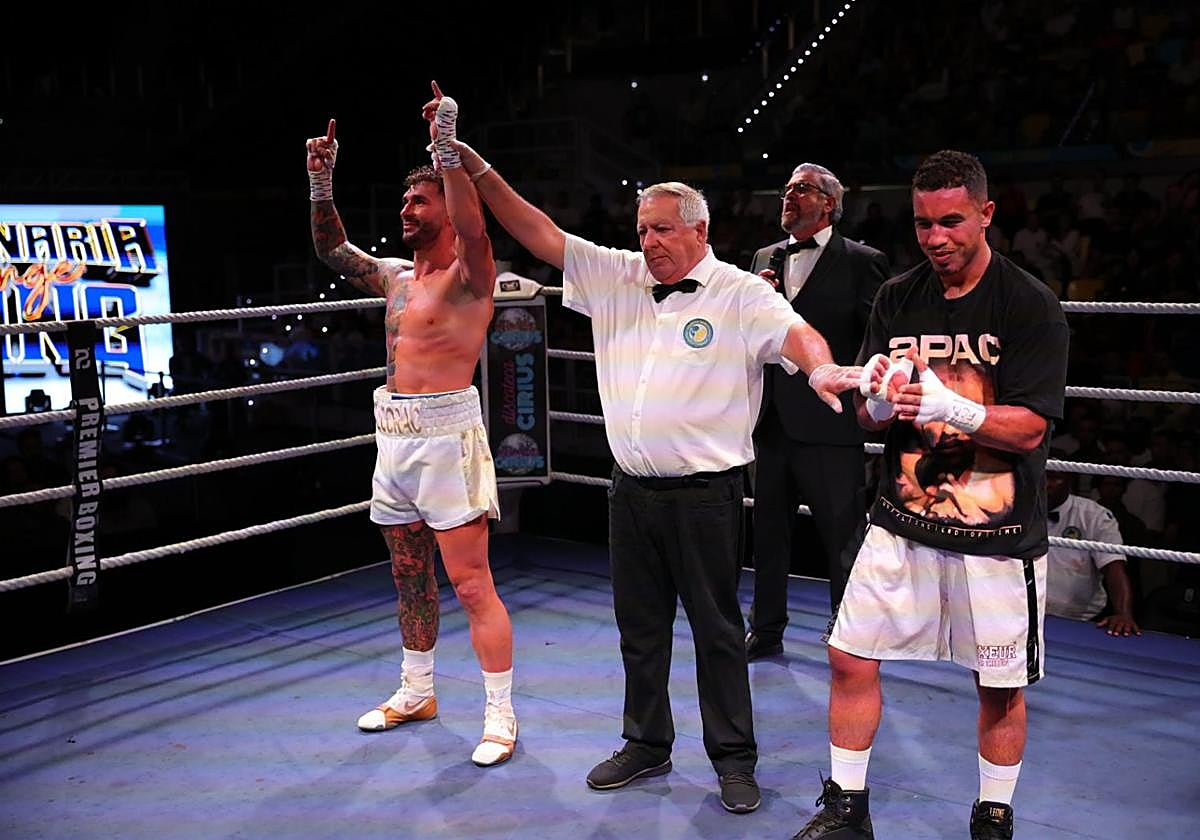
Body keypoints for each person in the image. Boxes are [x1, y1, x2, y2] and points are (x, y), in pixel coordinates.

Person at [441, 108, 862, 814]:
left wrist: (819, 370)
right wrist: (470, 162)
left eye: (663, 229)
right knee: (639, 630)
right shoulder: (617, 276)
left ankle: (733, 759)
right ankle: (645, 742)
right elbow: (535, 230)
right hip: (629, 492)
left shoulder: (741, 292)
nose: (649, 242)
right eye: (642, 229)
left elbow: (800, 335)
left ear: (701, 231)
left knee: (718, 633)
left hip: (707, 495)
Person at [792, 150, 1069, 840]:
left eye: (951, 222)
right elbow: (868, 416)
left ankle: (993, 815)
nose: (936, 238)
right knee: (848, 655)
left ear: (986, 214)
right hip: (901, 519)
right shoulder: (896, 297)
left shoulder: (1028, 304)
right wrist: (880, 400)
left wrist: (955, 407)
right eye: (923, 224)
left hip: (996, 531)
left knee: (998, 686)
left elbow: (1032, 428)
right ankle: (848, 810)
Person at [304, 81, 518, 768]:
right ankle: (418, 691)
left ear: (447, 210)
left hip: (448, 438)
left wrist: (447, 148)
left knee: (472, 583)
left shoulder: (471, 275)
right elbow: (334, 251)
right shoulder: (395, 277)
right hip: (392, 436)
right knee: (407, 574)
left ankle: (500, 715)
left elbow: (477, 227)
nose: (405, 209)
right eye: (404, 201)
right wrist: (320, 182)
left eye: (419, 201)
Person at [745, 163, 889, 661]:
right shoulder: (763, 257)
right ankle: (765, 629)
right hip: (770, 420)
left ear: (829, 203)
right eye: (786, 189)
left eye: (801, 189)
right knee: (767, 534)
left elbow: (876, 337)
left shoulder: (862, 261)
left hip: (830, 420)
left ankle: (847, 634)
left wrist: (860, 395)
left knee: (841, 535)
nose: (789, 196)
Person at [1045, 459, 1140, 636]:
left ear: (1069, 481)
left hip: (1081, 620)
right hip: (1022, 614)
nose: (1045, 484)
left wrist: (1123, 614)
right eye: (1041, 476)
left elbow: (1113, 566)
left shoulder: (1094, 516)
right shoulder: (1016, 508)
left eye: (1053, 477)